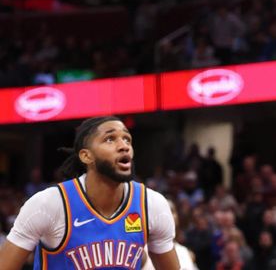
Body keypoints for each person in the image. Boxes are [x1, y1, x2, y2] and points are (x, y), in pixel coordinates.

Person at [0, 116, 179, 270]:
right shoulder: (49, 204)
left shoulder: (152, 204)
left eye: (127, 139)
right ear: (86, 156)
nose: (124, 145)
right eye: (110, 139)